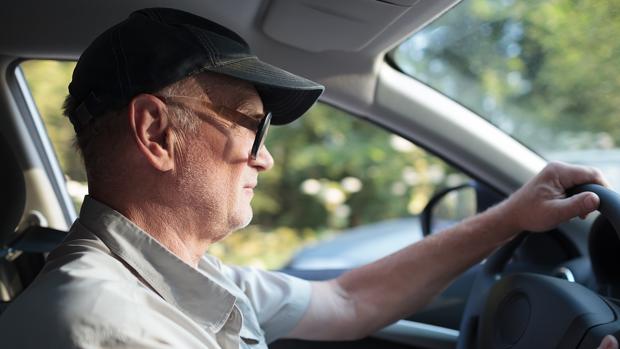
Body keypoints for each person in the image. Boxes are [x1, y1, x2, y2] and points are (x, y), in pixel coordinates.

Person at [0, 7, 616, 349]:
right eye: (251, 126)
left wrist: (511, 215)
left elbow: (346, 302)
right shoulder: (99, 325)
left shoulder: (182, 274)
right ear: (157, 134)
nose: (263, 158)